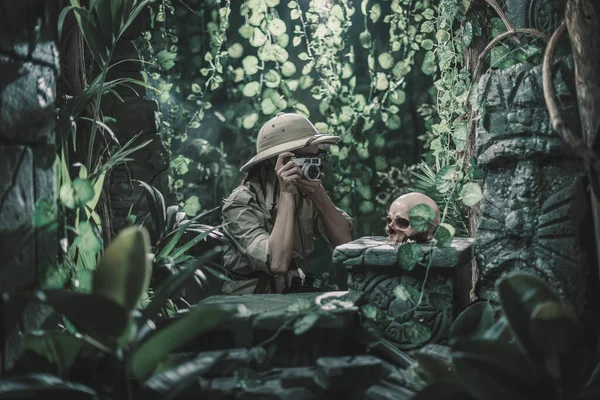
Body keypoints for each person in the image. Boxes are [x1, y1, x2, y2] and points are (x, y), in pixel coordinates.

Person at [220, 112, 353, 294]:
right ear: (276, 161)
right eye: (304, 159)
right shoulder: (240, 204)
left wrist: (317, 192)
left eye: (316, 157)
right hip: (250, 297)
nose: (312, 164)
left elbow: (344, 240)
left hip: (291, 289)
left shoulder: (305, 193)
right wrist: (286, 194)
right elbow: (277, 263)